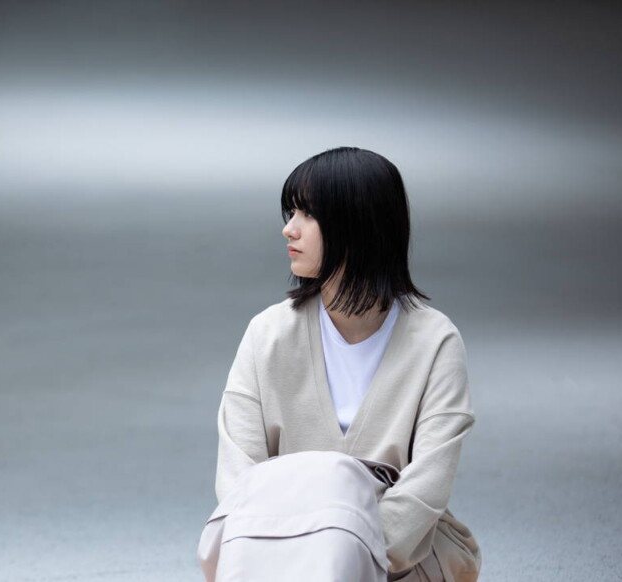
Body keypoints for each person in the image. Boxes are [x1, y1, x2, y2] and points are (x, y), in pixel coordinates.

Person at [196, 147, 481, 582]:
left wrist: (344, 550)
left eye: (307, 214)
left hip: (399, 556)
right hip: (282, 539)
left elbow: (427, 488)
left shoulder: (434, 341)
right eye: (290, 212)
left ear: (358, 224)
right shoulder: (268, 333)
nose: (288, 228)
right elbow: (238, 475)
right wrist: (297, 545)